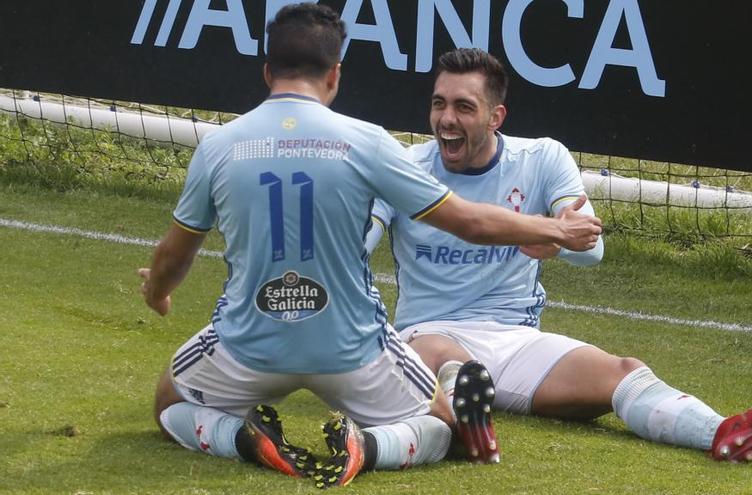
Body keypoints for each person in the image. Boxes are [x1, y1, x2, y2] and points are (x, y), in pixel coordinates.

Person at [138, 5, 603, 490]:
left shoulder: (218, 146)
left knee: (169, 403)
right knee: (444, 423)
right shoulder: (367, 142)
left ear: (268, 71)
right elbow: (469, 222)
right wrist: (555, 231)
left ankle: (240, 438)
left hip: (249, 347)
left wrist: (157, 292)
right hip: (351, 351)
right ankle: (370, 447)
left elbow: (176, 254)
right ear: (335, 74)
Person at [365, 48, 752, 464]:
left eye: (463, 106)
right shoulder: (405, 166)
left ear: (495, 116)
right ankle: (465, 417)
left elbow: (591, 249)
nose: (446, 118)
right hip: (428, 334)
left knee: (625, 372)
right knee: (447, 357)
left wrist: (559, 240)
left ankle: (721, 432)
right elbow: (358, 241)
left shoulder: (542, 158)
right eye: (439, 103)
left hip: (516, 341)